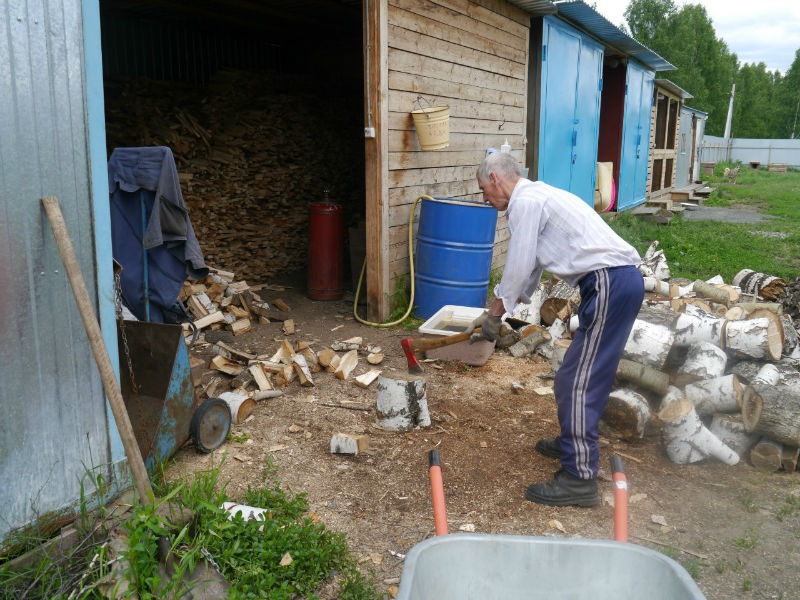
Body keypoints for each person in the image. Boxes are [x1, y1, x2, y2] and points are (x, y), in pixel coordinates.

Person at [472, 152, 644, 507]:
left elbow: (518, 263)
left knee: (577, 382)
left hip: (610, 282)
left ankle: (579, 478)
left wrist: (494, 314)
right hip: (613, 282)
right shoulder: (536, 197)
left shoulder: (525, 202)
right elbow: (531, 268)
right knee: (578, 375)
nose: (485, 199)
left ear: (495, 178)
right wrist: (503, 311)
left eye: (483, 190)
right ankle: (571, 445)